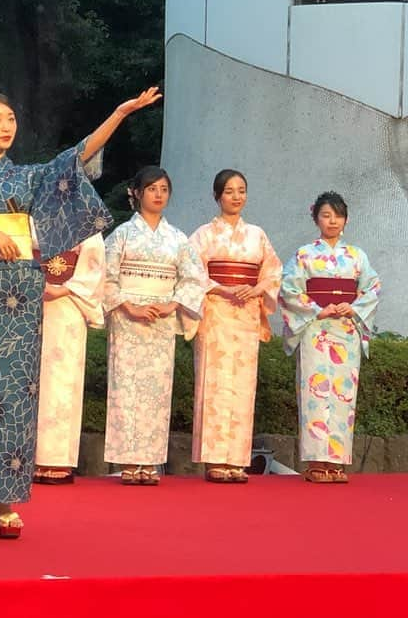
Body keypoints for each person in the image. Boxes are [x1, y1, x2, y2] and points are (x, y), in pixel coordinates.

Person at [0, 87, 159, 538]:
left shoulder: (27, 178)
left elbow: (74, 159)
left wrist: (119, 112)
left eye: (11, 118)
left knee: (16, 393)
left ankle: (6, 501)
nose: (7, 126)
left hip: (19, 291)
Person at [103, 167, 206, 486]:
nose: (159, 194)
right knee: (126, 386)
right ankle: (129, 461)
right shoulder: (121, 234)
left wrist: (173, 304)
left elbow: (194, 278)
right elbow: (105, 277)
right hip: (127, 317)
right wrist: (128, 306)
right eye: (151, 188)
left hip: (161, 317)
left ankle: (149, 462)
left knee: (156, 390)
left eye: (163, 188)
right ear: (136, 193)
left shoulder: (177, 238)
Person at [280, 191, 380, 483]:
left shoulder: (357, 256)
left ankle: (336, 463)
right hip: (316, 327)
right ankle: (315, 462)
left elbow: (372, 287)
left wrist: (353, 306)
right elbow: (289, 288)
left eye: (337, 215)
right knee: (315, 392)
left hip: (346, 328)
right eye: (325, 215)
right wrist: (316, 309)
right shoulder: (304, 254)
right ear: (316, 219)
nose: (332, 220)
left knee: (342, 395)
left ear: (345, 219)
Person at [188, 170, 281, 483]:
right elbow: (191, 272)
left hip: (246, 315)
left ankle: (236, 460)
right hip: (216, 312)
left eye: (241, 190)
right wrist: (221, 288)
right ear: (217, 196)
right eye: (229, 191)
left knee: (242, 385)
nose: (236, 196)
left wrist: (256, 289)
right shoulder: (203, 234)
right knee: (214, 383)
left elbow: (273, 273)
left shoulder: (257, 235)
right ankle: (215, 458)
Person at [33, 233, 106, 485]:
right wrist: (35, 282)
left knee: (64, 381)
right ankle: (28, 458)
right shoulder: (32, 212)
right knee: (31, 379)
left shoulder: (85, 219)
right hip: (33, 301)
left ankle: (58, 460)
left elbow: (94, 267)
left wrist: (64, 288)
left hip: (70, 303)